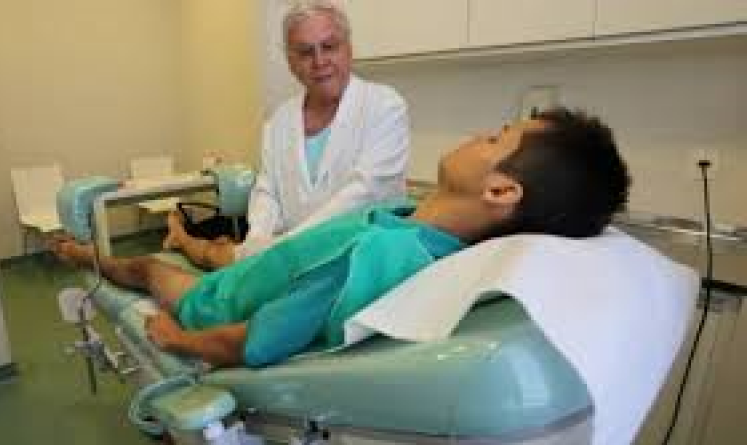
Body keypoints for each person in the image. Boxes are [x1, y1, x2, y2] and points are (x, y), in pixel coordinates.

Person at [52, 108, 630, 369]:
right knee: (214, 251)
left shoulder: (379, 254)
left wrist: (178, 339)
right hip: (262, 269)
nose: (481, 133)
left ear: (501, 191)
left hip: (220, 303)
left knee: (150, 270)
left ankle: (88, 254)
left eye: (498, 138)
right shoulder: (411, 224)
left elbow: (257, 342)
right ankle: (181, 239)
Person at [162, 0, 411, 269]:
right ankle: (181, 236)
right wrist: (258, 238)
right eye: (305, 52)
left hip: (363, 259)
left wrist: (283, 246)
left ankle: (180, 235)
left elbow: (363, 195)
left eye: (329, 46)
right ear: (291, 63)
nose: (320, 61)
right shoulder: (279, 121)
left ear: (349, 50)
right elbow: (267, 190)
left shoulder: (384, 107)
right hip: (288, 260)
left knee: (217, 264)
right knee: (212, 268)